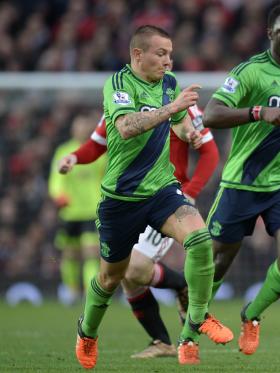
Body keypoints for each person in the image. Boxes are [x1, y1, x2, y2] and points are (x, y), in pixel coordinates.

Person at [74, 25, 232, 369]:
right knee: (111, 277)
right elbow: (127, 128)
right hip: (120, 198)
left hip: (162, 190)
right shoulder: (118, 85)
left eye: (171, 54)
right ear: (137, 54)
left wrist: (188, 132)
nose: (168, 61)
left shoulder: (169, 84)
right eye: (161, 54)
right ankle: (87, 331)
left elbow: (176, 122)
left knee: (201, 240)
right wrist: (173, 108)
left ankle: (192, 329)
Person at [202, 2, 280, 356]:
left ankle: (252, 315)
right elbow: (211, 114)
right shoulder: (249, 72)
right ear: (270, 33)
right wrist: (257, 112)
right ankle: (194, 318)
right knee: (217, 262)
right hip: (241, 182)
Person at [60, 104, 219, 359]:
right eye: (161, 59)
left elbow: (210, 153)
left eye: (168, 60)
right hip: (126, 201)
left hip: (165, 200)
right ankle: (163, 340)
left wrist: (191, 191)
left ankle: (182, 290)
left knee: (134, 268)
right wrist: (75, 157)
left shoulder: (179, 102)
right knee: (121, 275)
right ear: (138, 60)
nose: (165, 62)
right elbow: (96, 145)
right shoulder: (117, 100)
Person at [48, 112, 106, 305]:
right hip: (70, 211)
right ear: (73, 128)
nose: (81, 128)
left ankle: (90, 293)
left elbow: (107, 177)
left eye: (84, 125)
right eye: (78, 125)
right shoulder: (64, 151)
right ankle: (71, 291)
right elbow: (56, 179)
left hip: (92, 210)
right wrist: (59, 195)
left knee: (91, 252)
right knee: (70, 253)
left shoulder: (99, 152)